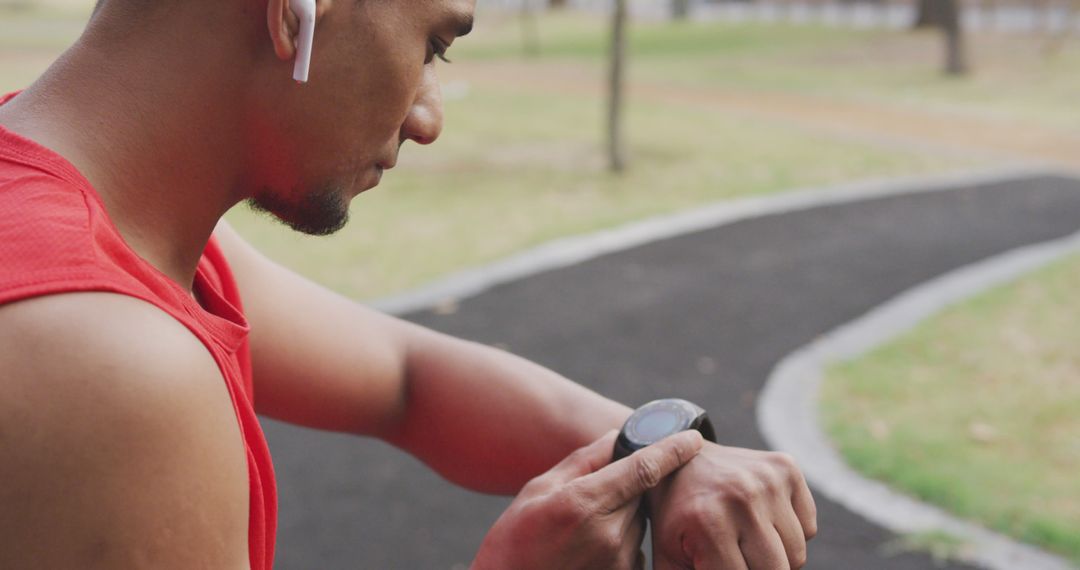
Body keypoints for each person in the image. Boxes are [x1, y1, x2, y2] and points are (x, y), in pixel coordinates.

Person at [0, 0, 817, 568]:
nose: (429, 117)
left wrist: (666, 453)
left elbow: (403, 379)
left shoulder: (107, 226)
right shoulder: (104, 357)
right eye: (431, 45)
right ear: (296, 13)